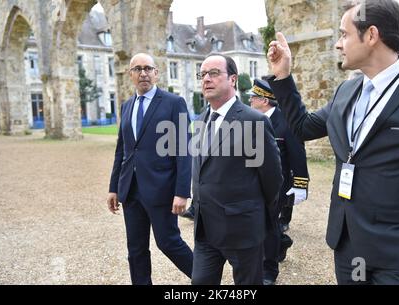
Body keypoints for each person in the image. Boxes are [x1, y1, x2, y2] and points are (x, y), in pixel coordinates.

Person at [267, 0, 399, 285]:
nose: (337, 44)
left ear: (371, 35)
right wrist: (283, 75)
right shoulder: (346, 91)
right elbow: (303, 127)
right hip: (349, 249)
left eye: (344, 34)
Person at [191, 54, 283, 285]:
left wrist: (253, 214)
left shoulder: (254, 121)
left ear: (233, 79)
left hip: (241, 229)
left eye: (213, 73)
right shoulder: (202, 120)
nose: (206, 79)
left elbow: (272, 178)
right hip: (205, 229)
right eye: (202, 74)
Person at [106, 53, 193, 285]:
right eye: (137, 69)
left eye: (148, 68)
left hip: (161, 190)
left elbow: (184, 149)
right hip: (131, 191)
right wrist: (114, 187)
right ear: (130, 75)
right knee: (135, 250)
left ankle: (206, 280)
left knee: (169, 243)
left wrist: (182, 191)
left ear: (156, 73)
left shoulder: (174, 103)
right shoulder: (126, 106)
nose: (143, 73)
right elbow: (122, 151)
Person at [248, 78, 309, 285]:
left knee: (269, 225)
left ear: (265, 100)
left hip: (278, 185)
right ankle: (282, 242)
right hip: (254, 183)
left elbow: (298, 154)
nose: (250, 101)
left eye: (253, 97)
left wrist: (300, 185)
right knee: (263, 223)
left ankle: (269, 270)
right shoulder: (252, 120)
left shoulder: (285, 122)